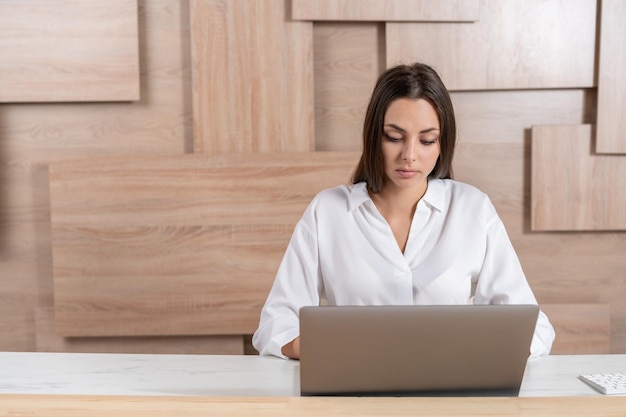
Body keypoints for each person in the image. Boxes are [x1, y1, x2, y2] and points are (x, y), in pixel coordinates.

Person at [252, 62, 555, 360]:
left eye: (426, 140)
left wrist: (476, 352)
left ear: (442, 144)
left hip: (448, 395)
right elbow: (276, 324)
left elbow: (534, 329)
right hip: (354, 395)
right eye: (394, 137)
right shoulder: (328, 212)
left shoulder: (472, 209)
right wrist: (337, 350)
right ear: (374, 137)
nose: (409, 155)